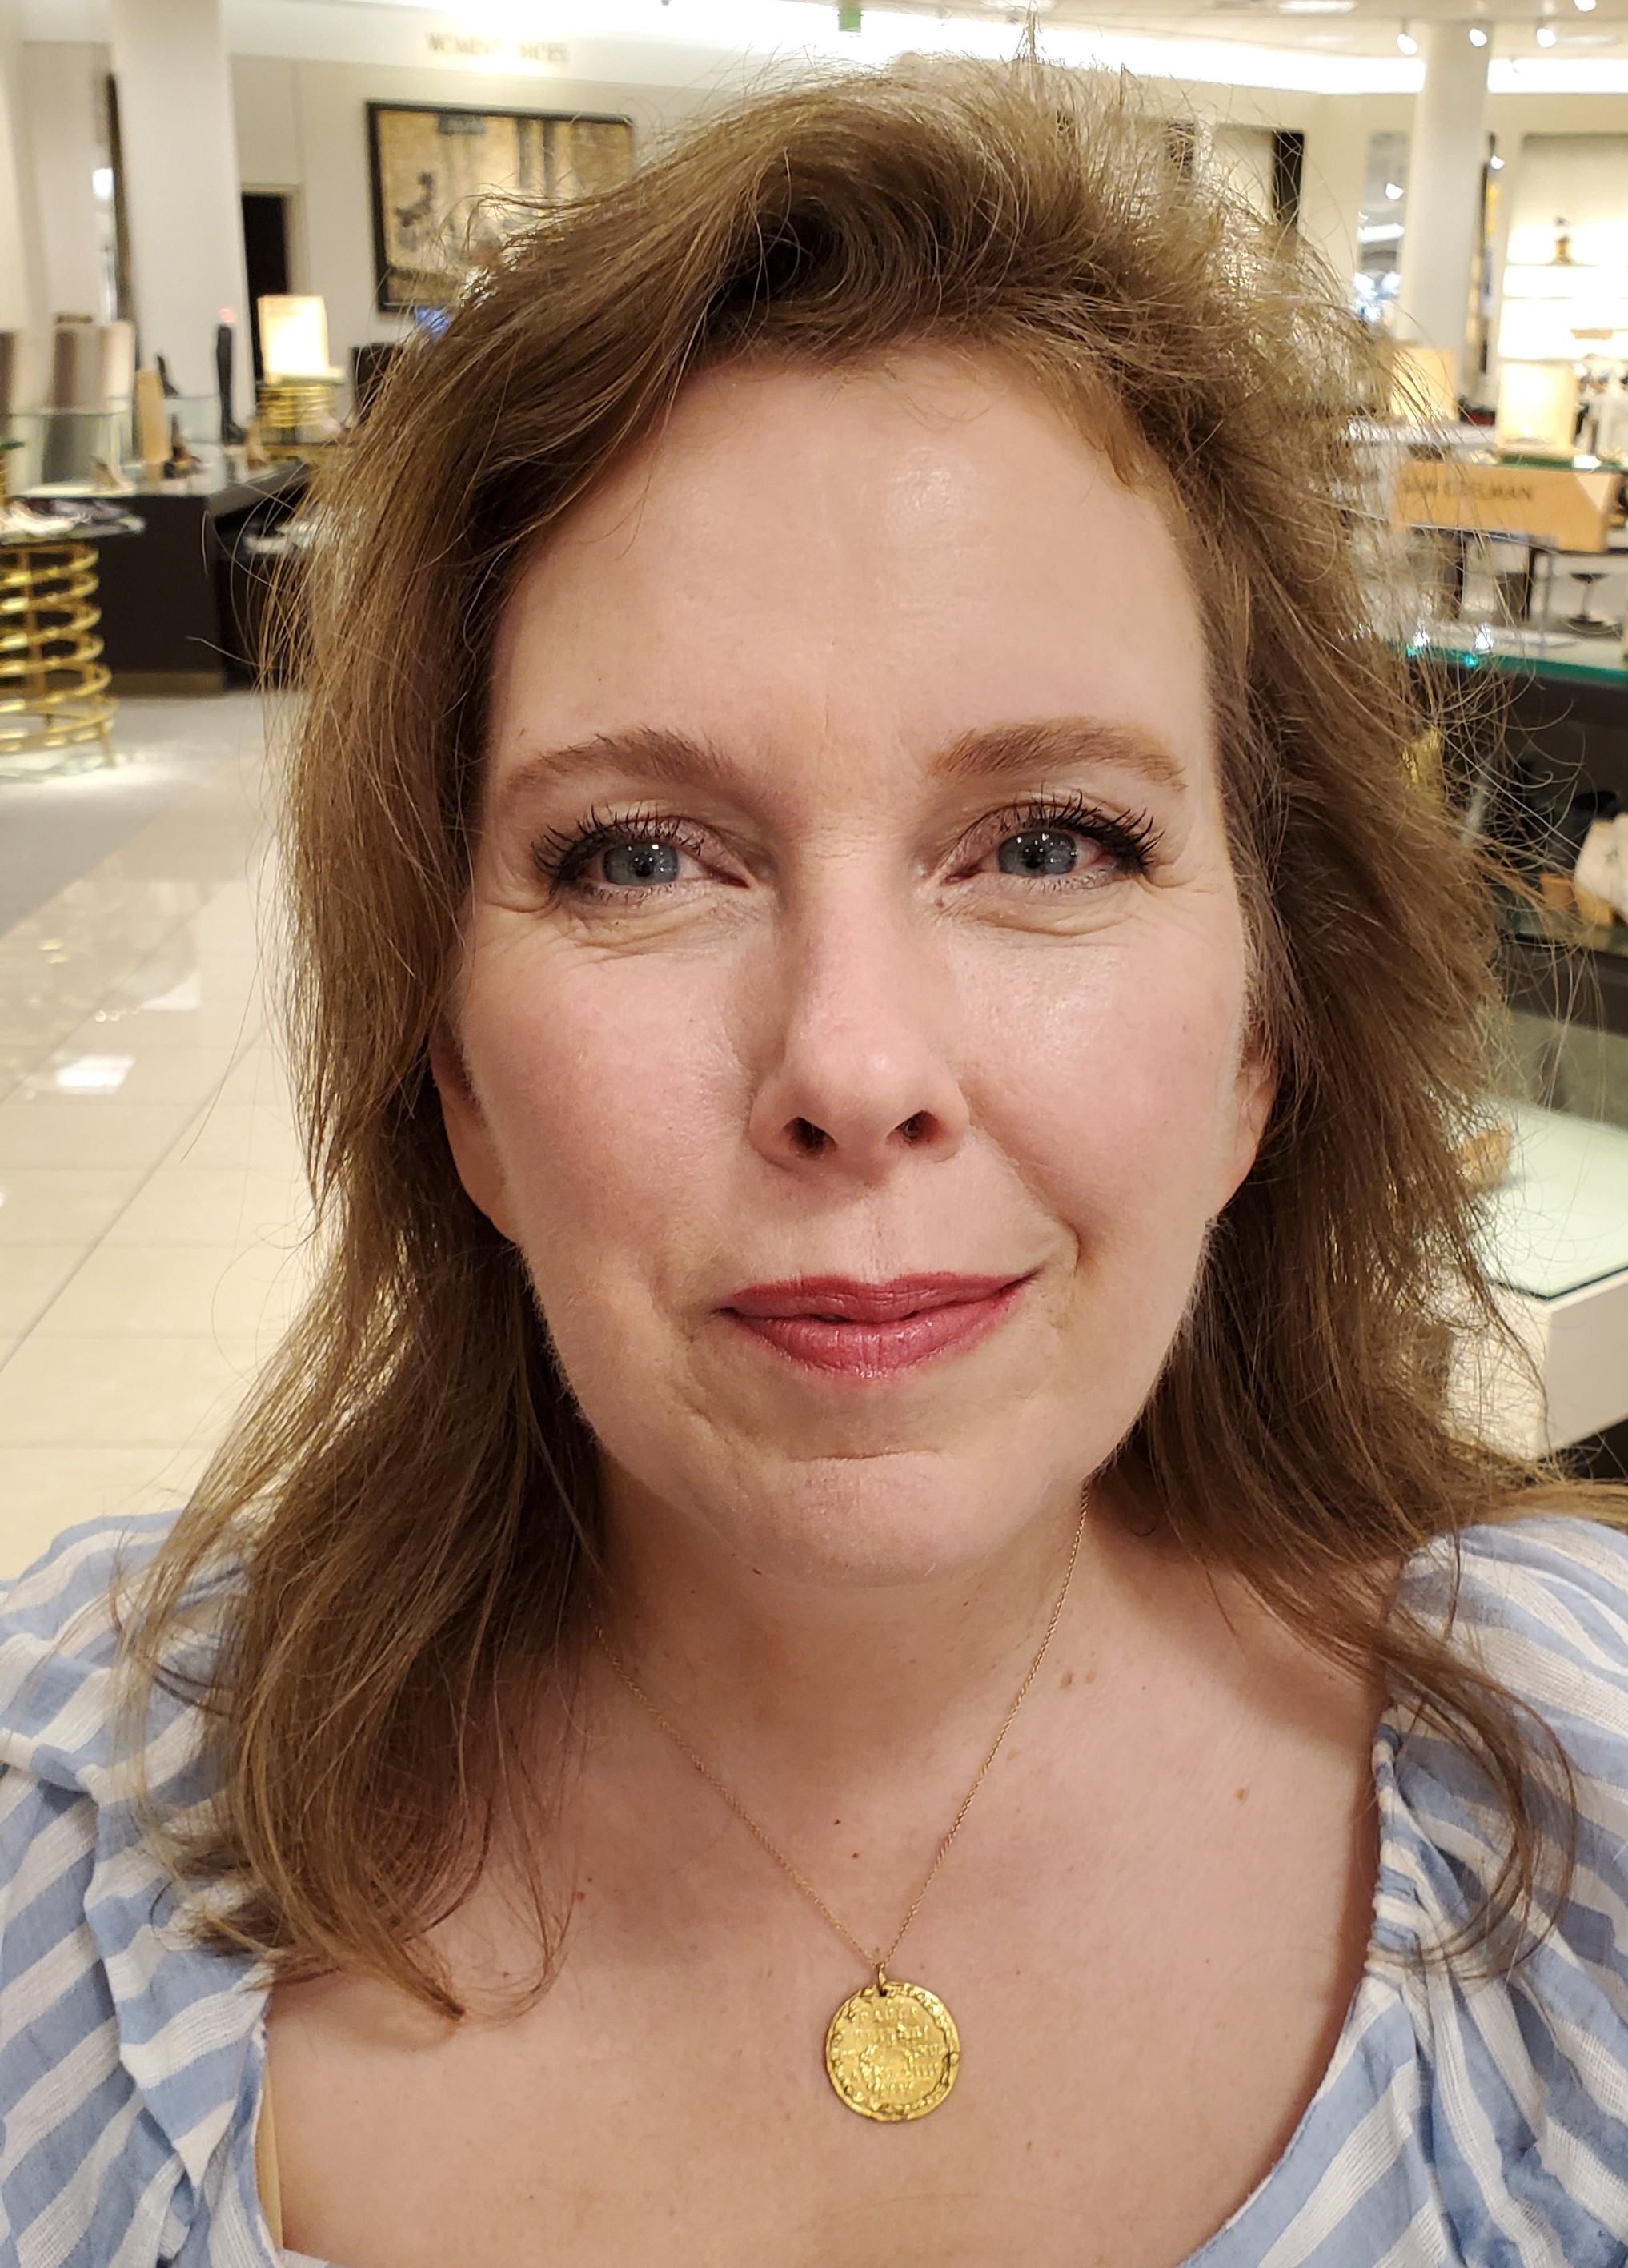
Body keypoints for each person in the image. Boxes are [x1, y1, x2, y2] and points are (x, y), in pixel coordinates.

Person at [3, 59, 1626, 2268]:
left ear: (1262, 1035)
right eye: (638, 855)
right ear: (455, 1076)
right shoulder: (69, 1824)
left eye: (1048, 843)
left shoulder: (1579, 1788)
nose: (852, 1068)